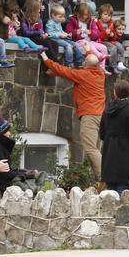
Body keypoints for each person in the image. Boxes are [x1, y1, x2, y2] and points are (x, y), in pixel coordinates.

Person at [39, 49, 106, 184]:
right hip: (100, 115)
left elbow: (63, 71)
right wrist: (88, 52)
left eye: (83, 62)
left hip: (89, 115)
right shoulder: (100, 73)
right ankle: (99, 181)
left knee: (90, 149)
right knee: (95, 149)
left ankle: (104, 179)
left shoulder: (83, 75)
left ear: (86, 65)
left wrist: (45, 57)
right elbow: (88, 63)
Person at [99, 79, 129, 193]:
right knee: (123, 193)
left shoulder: (107, 109)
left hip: (109, 156)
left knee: (110, 194)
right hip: (125, 157)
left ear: (115, 92)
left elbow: (102, 133)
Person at [0, 116, 41, 194]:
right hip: (6, 186)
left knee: (39, 176)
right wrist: (26, 174)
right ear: (1, 131)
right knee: (40, 180)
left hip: (7, 183)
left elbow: (7, 170)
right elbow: (6, 174)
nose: (10, 133)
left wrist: (25, 171)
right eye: (8, 131)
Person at [66, 3, 108, 68]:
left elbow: (97, 34)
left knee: (104, 48)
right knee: (88, 44)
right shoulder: (72, 20)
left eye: (85, 15)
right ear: (77, 13)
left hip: (91, 42)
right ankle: (99, 56)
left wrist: (90, 32)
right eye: (81, 15)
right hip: (79, 42)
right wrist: (75, 32)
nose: (83, 17)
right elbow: (68, 32)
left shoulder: (91, 21)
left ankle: (102, 68)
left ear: (88, 14)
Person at [94, 3, 128, 72]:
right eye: (105, 14)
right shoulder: (96, 23)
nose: (107, 17)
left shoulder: (111, 23)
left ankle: (120, 63)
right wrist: (105, 33)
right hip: (101, 41)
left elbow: (115, 36)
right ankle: (113, 66)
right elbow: (97, 36)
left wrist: (112, 35)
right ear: (100, 14)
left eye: (109, 15)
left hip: (110, 40)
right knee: (113, 48)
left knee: (119, 46)